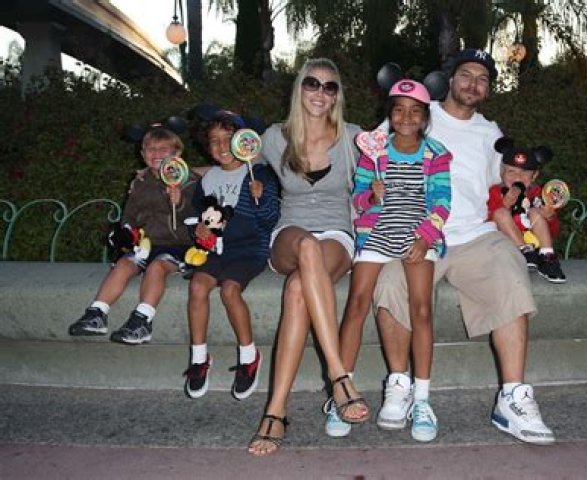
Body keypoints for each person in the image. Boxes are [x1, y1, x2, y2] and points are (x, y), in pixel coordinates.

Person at [372, 49, 556, 445]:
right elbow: (374, 156)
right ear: (450, 78)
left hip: (473, 234)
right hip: (416, 233)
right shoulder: (417, 112)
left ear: (488, 90)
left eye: (483, 79)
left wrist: (532, 205)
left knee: (508, 267)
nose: (473, 83)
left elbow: (506, 185)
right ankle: (400, 385)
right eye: (466, 74)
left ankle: (513, 398)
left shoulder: (491, 134)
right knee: (389, 282)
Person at [247, 58, 371, 456]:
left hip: (337, 235)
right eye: (312, 83)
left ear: (337, 96)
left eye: (330, 86)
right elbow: (234, 160)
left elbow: (389, 168)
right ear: (299, 88)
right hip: (291, 233)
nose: (320, 92)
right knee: (305, 248)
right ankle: (338, 374)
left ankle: (275, 411)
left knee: (300, 286)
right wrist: (170, 173)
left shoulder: (353, 138)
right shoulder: (274, 137)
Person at [327, 80, 452, 442]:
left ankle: (422, 398)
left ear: (425, 117)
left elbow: (442, 201)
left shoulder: (436, 153)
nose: (406, 118)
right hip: (377, 233)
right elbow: (358, 198)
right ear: (389, 114)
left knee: (421, 309)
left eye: (414, 111)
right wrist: (371, 195)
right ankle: (342, 393)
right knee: (356, 305)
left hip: (417, 235)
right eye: (398, 110)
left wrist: (425, 238)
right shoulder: (375, 151)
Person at [68, 124, 198, 345]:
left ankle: (142, 320)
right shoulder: (140, 182)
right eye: (150, 149)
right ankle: (97, 313)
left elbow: (198, 216)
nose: (156, 153)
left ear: (177, 152)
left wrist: (180, 202)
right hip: (147, 243)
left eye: (163, 149)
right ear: (142, 154)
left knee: (157, 267)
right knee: (124, 264)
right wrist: (128, 232)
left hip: (179, 244)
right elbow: (129, 215)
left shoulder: (190, 180)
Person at [182, 110, 279, 400]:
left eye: (228, 139)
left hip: (249, 249)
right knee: (197, 286)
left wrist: (260, 198)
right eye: (214, 141)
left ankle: (249, 357)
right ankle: (199, 358)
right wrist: (198, 230)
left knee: (229, 290)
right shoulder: (208, 179)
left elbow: (269, 221)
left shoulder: (259, 175)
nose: (222, 146)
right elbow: (200, 217)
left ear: (244, 142)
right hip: (214, 250)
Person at [487, 137, 566, 283]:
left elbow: (554, 232)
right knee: (500, 212)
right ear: (501, 172)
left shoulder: (541, 194)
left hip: (536, 244)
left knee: (535, 212)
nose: (518, 177)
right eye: (511, 171)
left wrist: (549, 217)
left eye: (524, 172)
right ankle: (524, 251)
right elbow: (487, 224)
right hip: (506, 246)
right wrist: (504, 204)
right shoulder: (495, 192)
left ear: (534, 175)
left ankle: (547, 256)